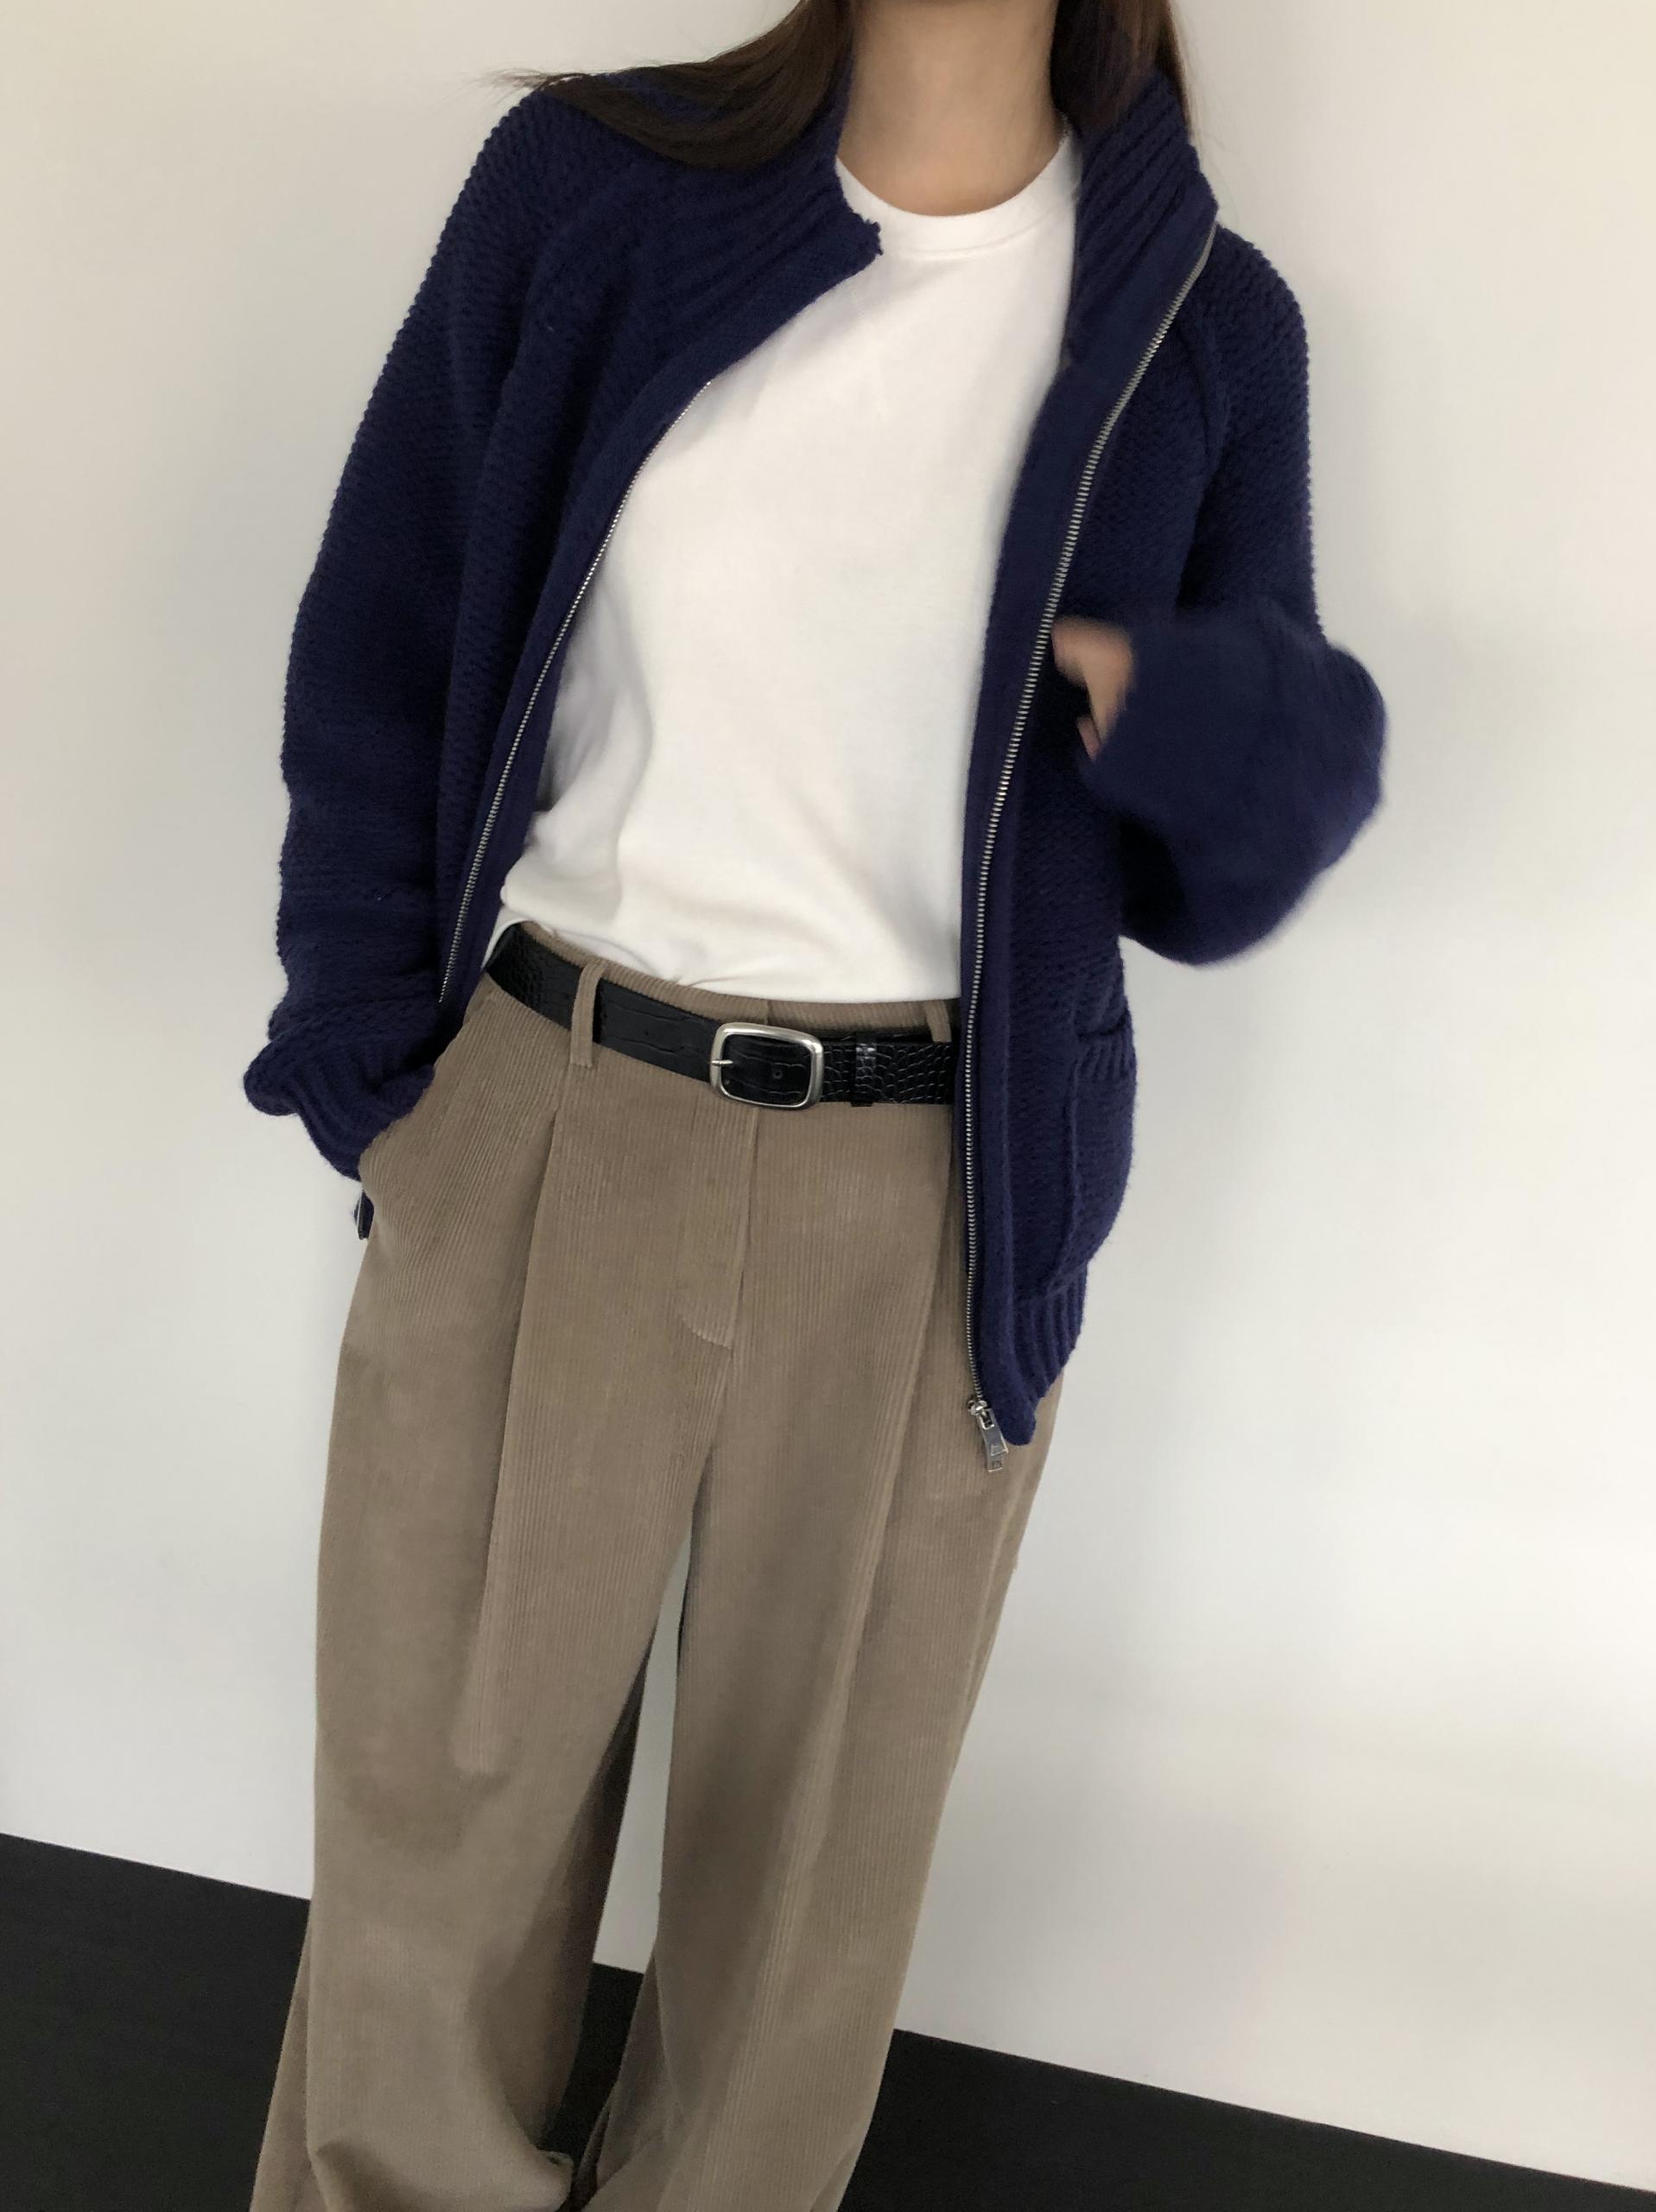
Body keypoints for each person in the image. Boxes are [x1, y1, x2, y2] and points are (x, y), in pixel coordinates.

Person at [242, 2, 1386, 2206]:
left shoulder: (1202, 325)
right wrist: (384, 1075)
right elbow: (385, 622)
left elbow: (1239, 855)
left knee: (798, 1933)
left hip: (934, 1199)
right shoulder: (597, 189)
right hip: (552, 1124)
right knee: (429, 1865)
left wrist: (1175, 701)